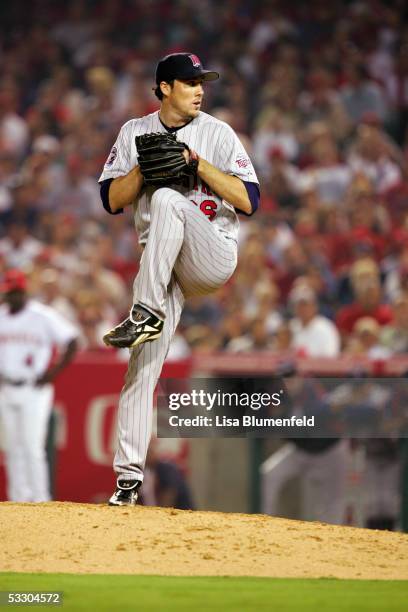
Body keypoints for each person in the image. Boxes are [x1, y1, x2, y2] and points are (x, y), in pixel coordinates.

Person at [99, 52, 259, 506]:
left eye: (201, 82)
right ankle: (128, 482)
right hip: (162, 263)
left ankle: (143, 311)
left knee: (168, 198)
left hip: (212, 252)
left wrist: (197, 164)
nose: (199, 89)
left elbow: (249, 200)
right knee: (141, 371)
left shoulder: (217, 133)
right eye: (189, 82)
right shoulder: (134, 132)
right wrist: (141, 170)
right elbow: (111, 199)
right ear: (164, 87)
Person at [0, 269, 79, 502]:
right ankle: (18, 498)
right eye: (8, 292)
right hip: (7, 386)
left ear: (24, 291)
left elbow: (71, 340)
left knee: (33, 446)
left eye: (15, 292)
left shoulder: (42, 315)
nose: (11, 297)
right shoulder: (1, 316)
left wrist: (51, 374)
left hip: (34, 388)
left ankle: (40, 499)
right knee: (13, 447)